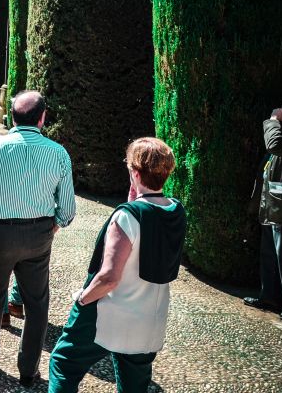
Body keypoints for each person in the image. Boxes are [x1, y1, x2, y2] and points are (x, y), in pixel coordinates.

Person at [48, 138, 186, 393]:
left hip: (110, 312)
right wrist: (134, 197)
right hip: (149, 317)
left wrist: (82, 299)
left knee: (64, 363)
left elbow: (109, 277)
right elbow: (148, 227)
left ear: (135, 172)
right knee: (134, 384)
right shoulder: (175, 210)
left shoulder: (127, 216)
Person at [0, 90, 77, 387]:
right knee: (37, 304)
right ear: (42, 117)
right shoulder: (58, 152)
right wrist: (54, 226)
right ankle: (29, 371)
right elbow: (67, 209)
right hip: (39, 234)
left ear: (12, 116)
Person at [244, 91, 282, 323]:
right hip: (275, 208)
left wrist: (272, 121)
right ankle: (269, 297)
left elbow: (274, 145)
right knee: (269, 254)